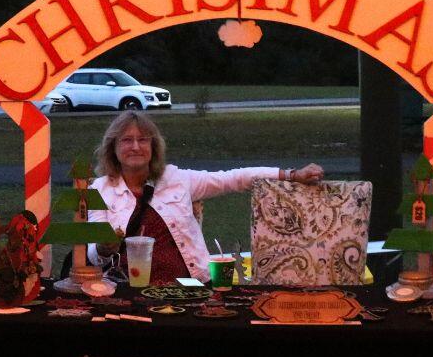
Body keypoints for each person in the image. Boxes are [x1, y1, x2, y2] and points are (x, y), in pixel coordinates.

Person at [87, 110, 324, 284]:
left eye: (143, 140)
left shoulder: (176, 178)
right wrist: (104, 248)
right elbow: (94, 257)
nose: (136, 147)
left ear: (154, 147)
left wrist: (292, 175)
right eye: (127, 140)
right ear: (113, 148)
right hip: (128, 289)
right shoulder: (99, 189)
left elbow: (234, 178)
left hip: (187, 286)